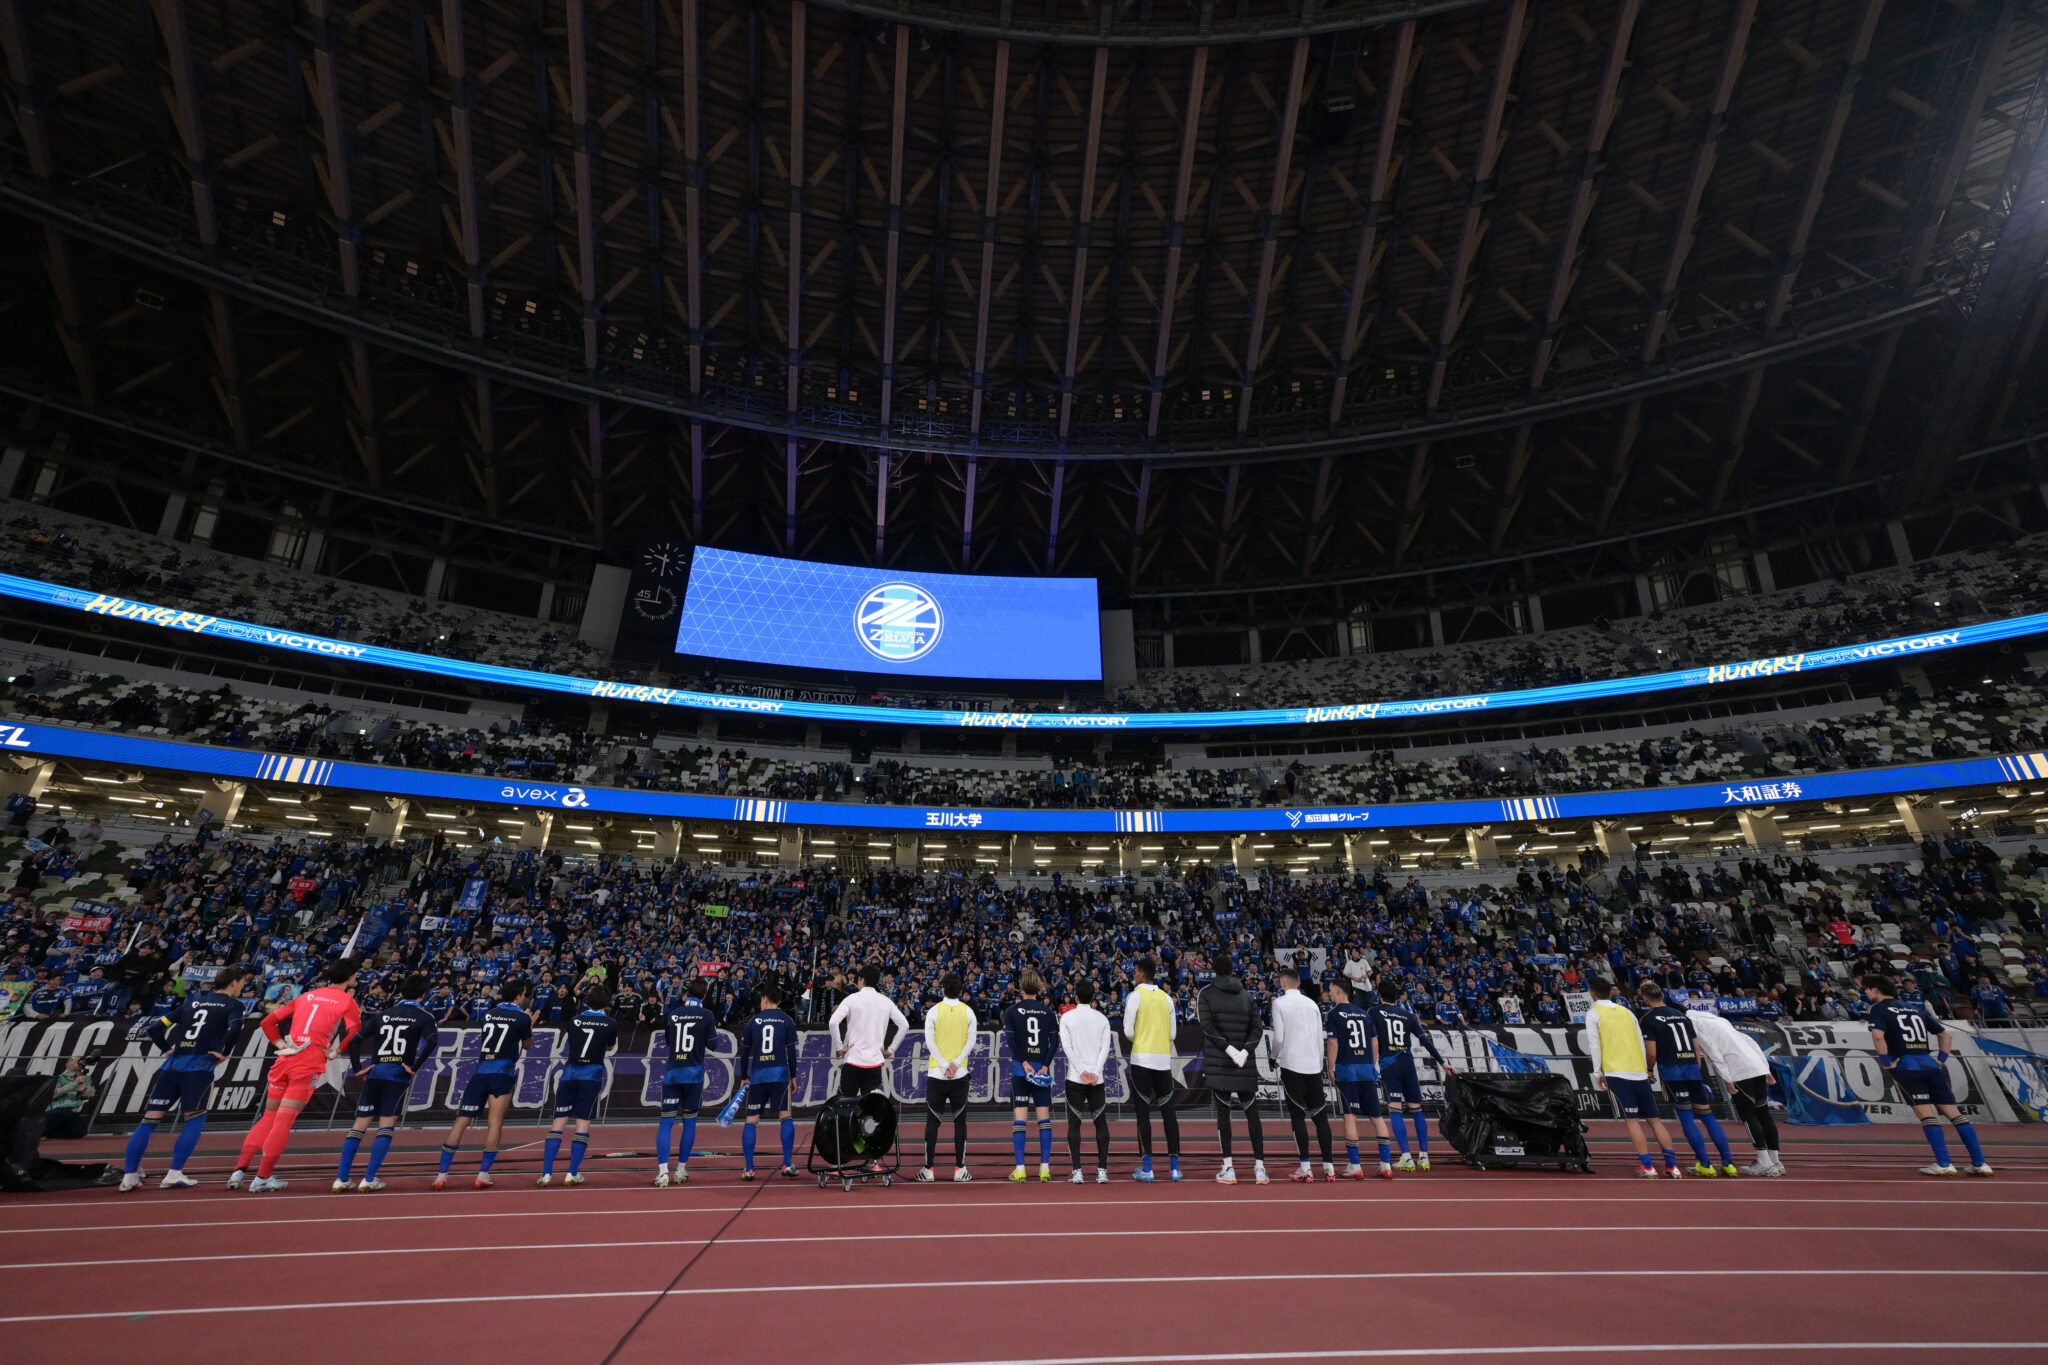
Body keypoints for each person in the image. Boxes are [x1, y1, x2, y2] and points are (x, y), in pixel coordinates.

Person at [231, 958, 363, 1193]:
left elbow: (268, 1021)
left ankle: (238, 1172)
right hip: (308, 1063)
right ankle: (262, 1178)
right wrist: (335, 1053)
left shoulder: (307, 995)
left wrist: (281, 1045)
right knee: (283, 1121)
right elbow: (354, 1031)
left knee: (268, 1116)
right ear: (352, 978)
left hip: (286, 1059)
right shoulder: (347, 1001)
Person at [121, 966, 253, 1191]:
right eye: (242, 982)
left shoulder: (192, 1002)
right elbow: (234, 1029)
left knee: (149, 1121)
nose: (243, 986)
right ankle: (174, 1174)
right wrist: (224, 1052)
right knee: (194, 1119)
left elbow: (154, 1028)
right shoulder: (234, 1005)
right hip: (199, 1067)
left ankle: (129, 1176)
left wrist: (167, 1049)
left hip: (173, 1066)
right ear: (233, 982)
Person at [1862, 971, 1992, 1177]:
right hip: (1930, 1066)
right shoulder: (1914, 1007)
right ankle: (1980, 1163)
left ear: (1876, 989)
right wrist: (1941, 1059)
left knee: (1927, 1116)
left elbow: (1878, 1037)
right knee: (1955, 1115)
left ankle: (1944, 1164)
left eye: (1867, 989)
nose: (1866, 993)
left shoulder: (1877, 1009)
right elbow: (1945, 1034)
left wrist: (1886, 1062)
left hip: (1907, 1068)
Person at [335, 973, 440, 1192]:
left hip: (376, 1072)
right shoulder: (424, 1016)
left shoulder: (383, 1014)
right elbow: (432, 1042)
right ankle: (369, 1178)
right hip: (397, 1075)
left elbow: (354, 1041)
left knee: (358, 1126)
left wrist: (358, 1068)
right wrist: (414, 1067)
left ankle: (341, 1179)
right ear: (423, 995)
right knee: (386, 1126)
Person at [435, 978, 535, 1190]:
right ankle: (483, 1174)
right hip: (503, 1071)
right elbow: (527, 1045)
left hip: (481, 1070)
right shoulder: (522, 1017)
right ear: (519, 996)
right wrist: (529, 1023)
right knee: (495, 1122)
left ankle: (441, 1175)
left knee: (461, 1121)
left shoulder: (489, 1013)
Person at [1584, 979, 1682, 1178]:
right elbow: (1640, 1040)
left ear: (1592, 993)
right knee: (1654, 1120)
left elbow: (1595, 1045)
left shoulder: (1593, 1013)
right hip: (1638, 1070)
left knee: (1632, 1120)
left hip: (1617, 1071)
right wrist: (1646, 1068)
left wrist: (1597, 1073)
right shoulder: (1627, 1011)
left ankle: (1647, 1166)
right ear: (1610, 993)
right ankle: (1672, 1167)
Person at [1637, 982, 1735, 1178]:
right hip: (1692, 1069)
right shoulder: (1682, 1016)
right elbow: (1697, 1048)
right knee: (1708, 1116)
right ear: (1662, 995)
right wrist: (1695, 1071)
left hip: (1672, 1071)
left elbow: (1651, 1052)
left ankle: (1705, 1164)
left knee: (1687, 1118)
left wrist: (1648, 1069)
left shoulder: (1648, 1019)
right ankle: (1728, 1163)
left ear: (1645, 999)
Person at [1196, 952, 1269, 1185]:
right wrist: (1244, 1053)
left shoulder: (1205, 993)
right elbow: (1257, 1028)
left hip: (1221, 1063)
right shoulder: (1247, 995)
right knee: (1252, 1113)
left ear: (1214, 970)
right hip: (1244, 1064)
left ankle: (1229, 1168)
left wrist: (1230, 1051)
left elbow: (1207, 1026)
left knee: (1223, 1115)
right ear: (1231, 970)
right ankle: (1260, 1168)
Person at [1367, 979, 1454, 1171]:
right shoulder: (1408, 1015)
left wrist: (1370, 1065)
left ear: (1379, 996)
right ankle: (1424, 1157)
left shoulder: (1373, 1012)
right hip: (1407, 1062)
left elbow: (1371, 1040)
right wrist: (1442, 1063)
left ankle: (1406, 1157)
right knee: (1416, 1108)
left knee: (1395, 1109)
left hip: (1389, 1064)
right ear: (1397, 997)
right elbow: (1426, 1041)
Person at [1687, 1004, 1783, 1176]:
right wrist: (1765, 1068)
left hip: (1739, 1070)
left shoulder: (1694, 1023)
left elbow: (1713, 1053)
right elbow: (1749, 1041)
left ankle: (1764, 1162)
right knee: (1763, 1114)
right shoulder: (1718, 1020)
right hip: (1756, 1066)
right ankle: (1775, 1161)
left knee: (1748, 1115)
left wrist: (1727, 1079)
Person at [538, 984, 618, 1186]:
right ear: (607, 1003)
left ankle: (546, 1174)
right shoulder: (610, 1023)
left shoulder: (575, 1020)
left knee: (558, 1123)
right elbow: (611, 1047)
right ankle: (572, 1172)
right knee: (582, 1124)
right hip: (591, 1076)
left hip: (569, 1074)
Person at [1324, 979, 1394, 1180]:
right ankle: (1386, 1165)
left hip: (1347, 1070)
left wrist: (1330, 1067)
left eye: (1331, 990)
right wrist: (1371, 1064)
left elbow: (1333, 1042)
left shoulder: (1334, 1014)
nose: (1329, 993)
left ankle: (1355, 1165)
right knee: (1377, 1117)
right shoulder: (1365, 1014)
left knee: (1350, 1116)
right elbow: (1374, 1042)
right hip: (1366, 1070)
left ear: (1338, 992)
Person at [1271, 967, 1334, 1182]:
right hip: (1313, 1066)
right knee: (1320, 1117)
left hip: (1292, 1065)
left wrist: (1273, 1056)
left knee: (1298, 1116)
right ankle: (1329, 1167)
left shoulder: (1279, 1003)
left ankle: (1305, 1168)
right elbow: (1319, 1037)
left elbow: (1279, 1038)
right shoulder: (1312, 1004)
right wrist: (1319, 1063)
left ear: (1283, 983)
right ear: (1298, 983)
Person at [1121, 955, 1181, 1182]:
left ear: (1142, 974)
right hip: (1163, 1060)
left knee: (1143, 1113)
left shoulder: (1135, 996)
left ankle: (1148, 1168)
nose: (1133, 974)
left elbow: (1128, 1031)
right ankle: (1174, 1168)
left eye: (1135, 971)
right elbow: (1173, 1034)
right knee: (1169, 1112)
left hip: (1142, 1060)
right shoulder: (1166, 998)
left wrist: (1143, 1037)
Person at [654, 978, 717, 1186]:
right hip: (694, 1074)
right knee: (689, 1121)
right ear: (704, 996)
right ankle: (681, 1170)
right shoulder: (707, 1015)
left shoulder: (673, 1014)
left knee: (666, 1121)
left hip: (673, 1073)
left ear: (686, 994)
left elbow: (668, 1041)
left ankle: (663, 1171)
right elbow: (713, 1045)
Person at [918, 972, 978, 1183]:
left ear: (942, 989)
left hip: (937, 1074)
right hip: (959, 1074)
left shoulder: (934, 1011)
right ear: (960, 991)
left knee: (932, 1122)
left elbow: (929, 1041)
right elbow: (971, 1041)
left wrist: (944, 1065)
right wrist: (955, 1064)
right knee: (960, 1122)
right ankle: (960, 1169)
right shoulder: (968, 1012)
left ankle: (928, 1169)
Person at [737, 980, 799, 1180]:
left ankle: (749, 1168)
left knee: (751, 1120)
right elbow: (791, 1053)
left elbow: (744, 1054)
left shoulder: (753, 1021)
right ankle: (787, 1164)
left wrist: (744, 1077)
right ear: (778, 1001)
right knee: (785, 1117)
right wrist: (793, 1076)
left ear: (764, 1000)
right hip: (780, 1075)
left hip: (758, 1075)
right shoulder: (786, 1020)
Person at [1001, 970, 1057, 1182]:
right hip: (1041, 1072)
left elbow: (1011, 1041)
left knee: (1020, 1120)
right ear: (1039, 988)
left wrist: (1024, 1062)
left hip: (1020, 1071)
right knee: (1044, 1120)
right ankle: (1044, 1168)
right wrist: (1045, 1065)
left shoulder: (1012, 1011)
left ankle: (1020, 1169)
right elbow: (1055, 1042)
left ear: (1021, 988)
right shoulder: (1048, 1011)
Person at [1059, 978, 1114, 1184]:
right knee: (1101, 1123)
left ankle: (1077, 1171)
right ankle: (1102, 1170)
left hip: (1075, 1078)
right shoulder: (1102, 1019)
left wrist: (1082, 1071)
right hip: (1096, 1080)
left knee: (1074, 1123)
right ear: (1093, 997)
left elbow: (1067, 1048)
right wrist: (1095, 1072)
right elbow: (1105, 1048)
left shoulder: (1067, 1017)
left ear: (1075, 996)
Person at [828, 962, 908, 1098]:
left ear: (861, 980)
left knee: (847, 1103)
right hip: (874, 1061)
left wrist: (839, 1047)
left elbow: (833, 1022)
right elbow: (904, 1025)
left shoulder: (851, 999)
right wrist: (891, 1049)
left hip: (853, 1059)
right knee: (870, 1106)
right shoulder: (886, 1001)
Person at [42, 1056, 96, 1140]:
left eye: (81, 1061)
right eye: (77, 1060)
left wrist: (84, 1090)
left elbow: (90, 1094)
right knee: (62, 1113)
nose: (80, 1063)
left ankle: (49, 1134)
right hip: (55, 1111)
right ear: (67, 1064)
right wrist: (74, 1084)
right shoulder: (58, 1078)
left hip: (72, 1113)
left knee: (81, 1131)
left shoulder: (85, 1078)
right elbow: (53, 1094)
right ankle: (38, 1133)